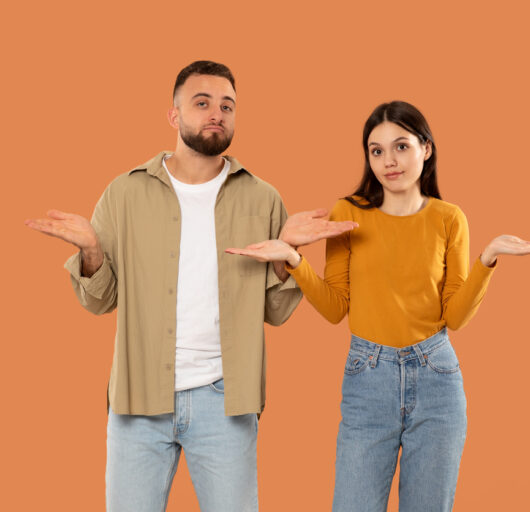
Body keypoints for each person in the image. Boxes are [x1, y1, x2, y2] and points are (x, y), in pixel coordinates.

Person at [25, 60, 352, 512]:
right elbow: (100, 302)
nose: (216, 113)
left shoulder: (263, 198)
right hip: (138, 401)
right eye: (202, 103)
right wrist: (92, 253)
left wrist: (289, 258)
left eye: (227, 105)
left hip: (226, 401)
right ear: (174, 115)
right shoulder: (124, 193)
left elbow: (275, 312)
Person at [227, 100, 530, 511]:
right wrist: (295, 261)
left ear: (426, 148)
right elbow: (335, 309)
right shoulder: (347, 214)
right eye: (377, 150)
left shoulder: (449, 218)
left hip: (436, 376)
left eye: (401, 146)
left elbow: (454, 317)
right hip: (368, 378)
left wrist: (486, 260)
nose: (389, 160)